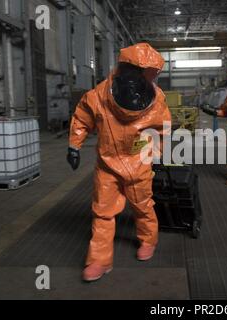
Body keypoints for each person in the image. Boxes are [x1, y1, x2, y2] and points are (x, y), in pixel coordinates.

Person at [67, 43, 171, 282]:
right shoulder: (97, 97)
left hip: (139, 165)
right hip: (107, 166)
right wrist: (74, 144)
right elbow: (82, 119)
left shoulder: (156, 101)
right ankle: (99, 260)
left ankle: (148, 240)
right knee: (102, 213)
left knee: (143, 206)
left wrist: (155, 154)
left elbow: (162, 129)